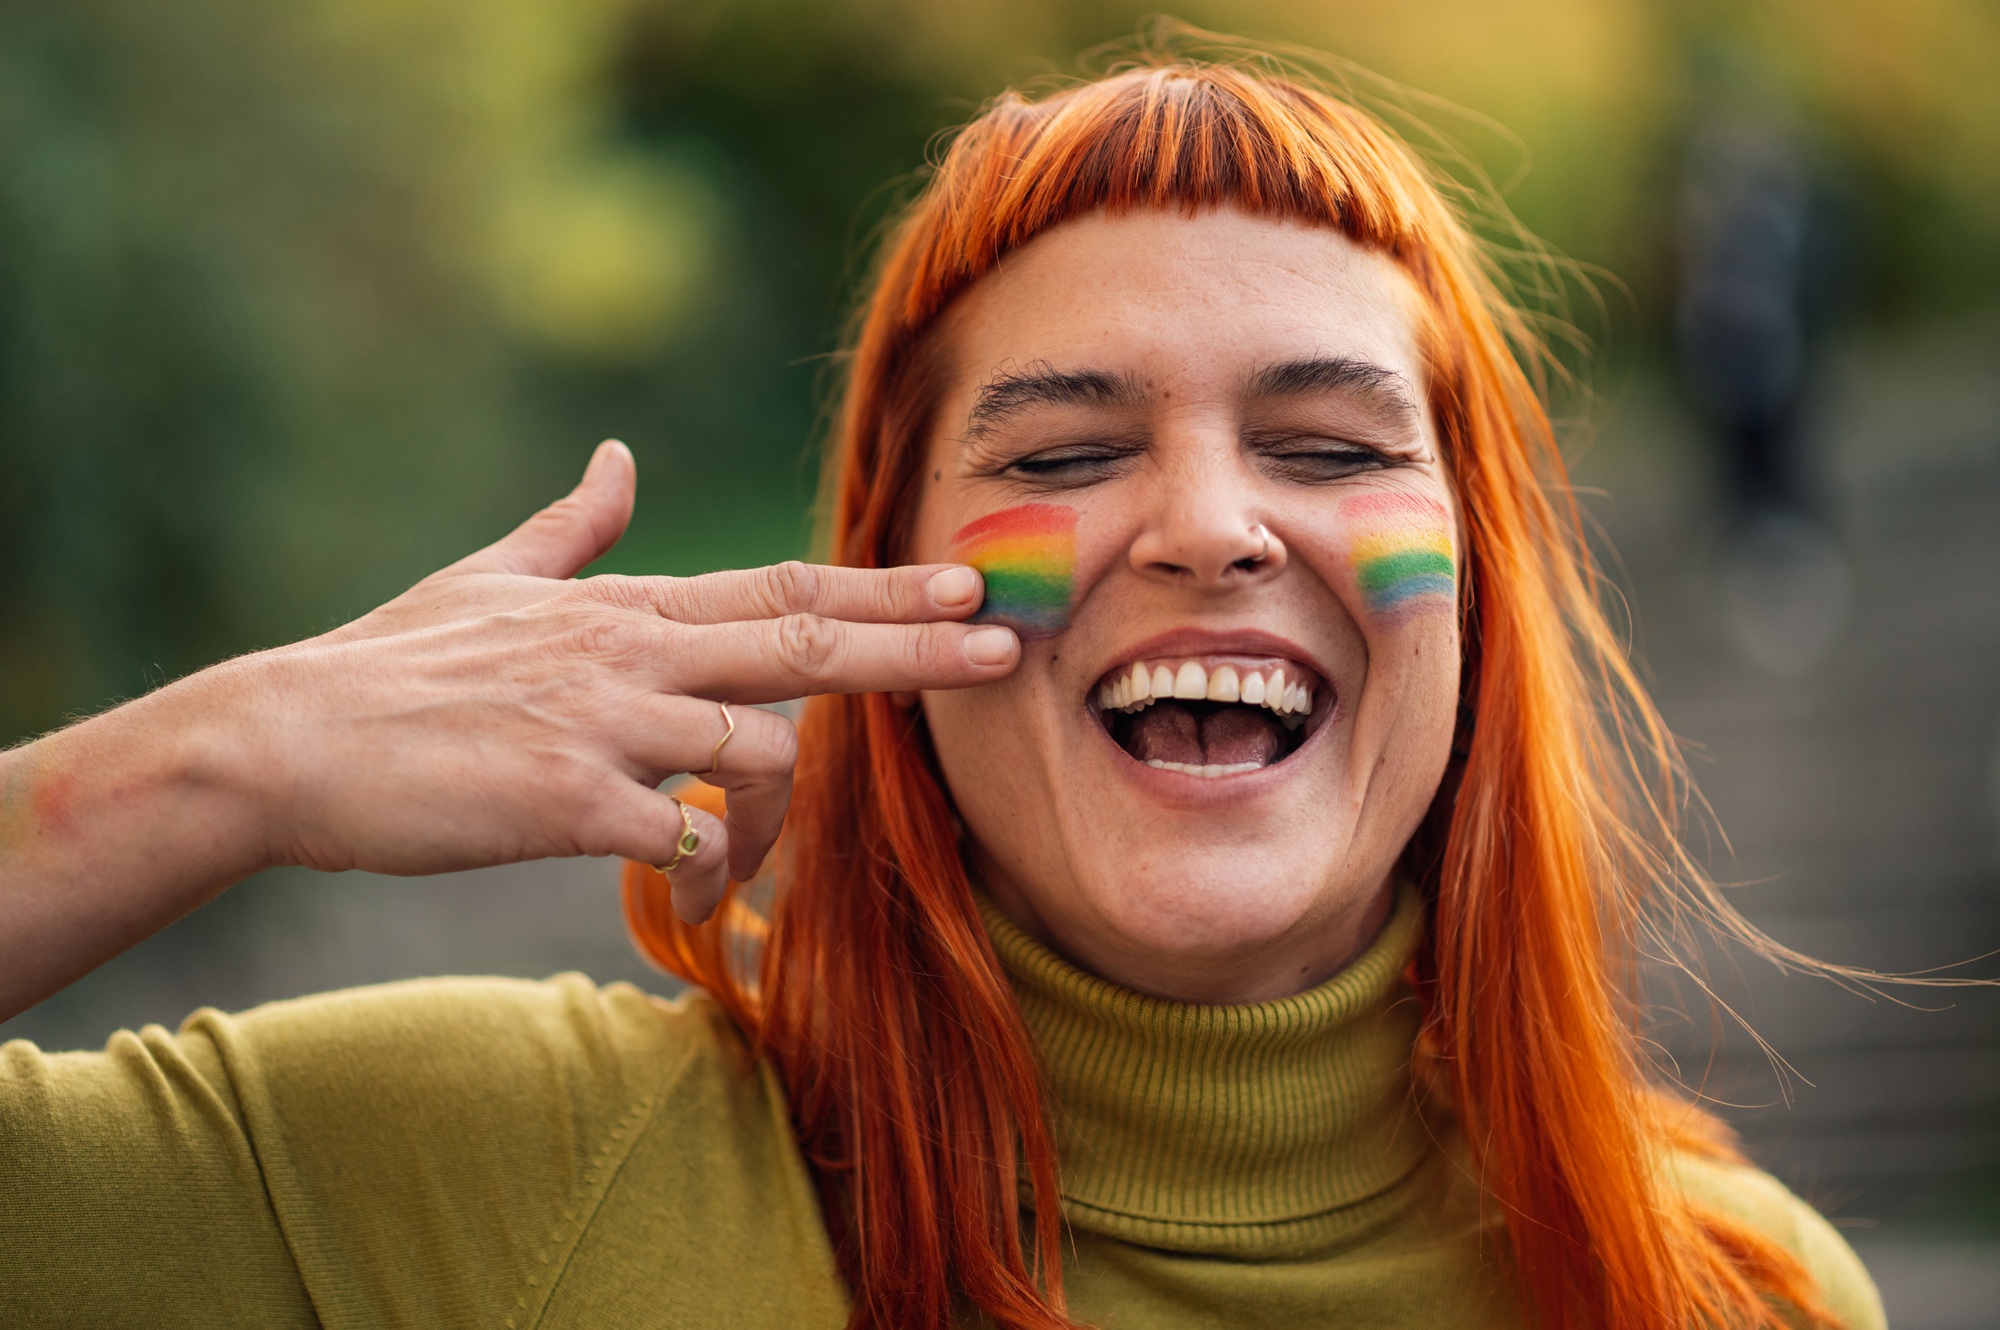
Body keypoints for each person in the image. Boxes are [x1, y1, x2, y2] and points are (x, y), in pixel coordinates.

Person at [0, 48, 1883, 1330]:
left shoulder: (1744, 1291)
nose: (1210, 525)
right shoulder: (489, 1172)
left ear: (1476, 574)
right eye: (1061, 455)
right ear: (883, 584)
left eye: (1325, 443)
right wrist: (217, 762)